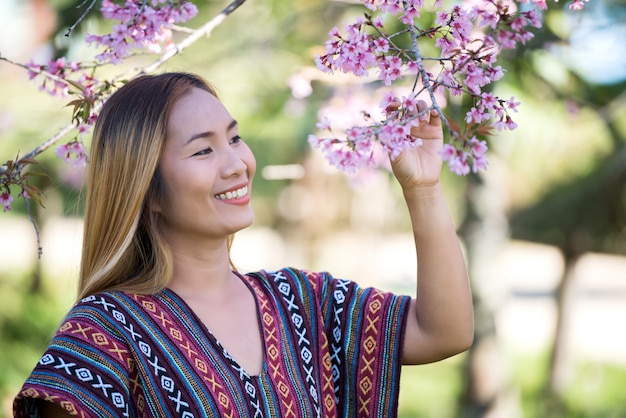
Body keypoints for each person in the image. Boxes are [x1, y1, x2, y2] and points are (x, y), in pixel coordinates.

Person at [13, 72, 473, 418]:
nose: (237, 163)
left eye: (234, 138)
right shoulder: (108, 330)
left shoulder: (301, 301)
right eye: (203, 150)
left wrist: (424, 188)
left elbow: (445, 332)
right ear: (148, 191)